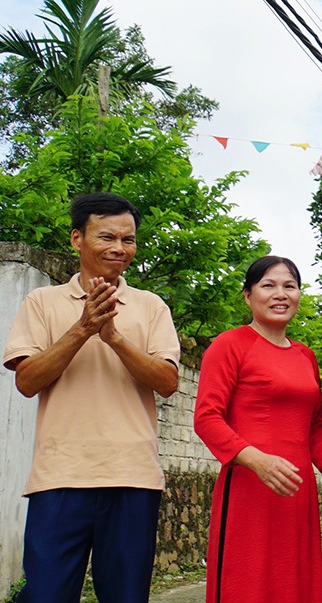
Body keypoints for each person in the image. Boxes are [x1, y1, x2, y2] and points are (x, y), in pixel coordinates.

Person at [4, 192, 180, 603]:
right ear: (76, 239)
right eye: (107, 237)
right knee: (46, 594)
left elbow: (167, 381)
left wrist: (114, 337)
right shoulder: (41, 302)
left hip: (132, 476)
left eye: (129, 239)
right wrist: (82, 329)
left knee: (126, 596)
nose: (119, 248)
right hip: (59, 476)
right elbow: (27, 381)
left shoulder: (151, 307)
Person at [194, 255, 322, 603]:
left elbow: (314, 425)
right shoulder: (230, 345)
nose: (280, 294)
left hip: (297, 491)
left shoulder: (305, 356)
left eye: (289, 286)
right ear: (248, 296)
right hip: (250, 488)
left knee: (294, 584)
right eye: (268, 285)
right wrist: (256, 460)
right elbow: (207, 417)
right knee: (247, 583)